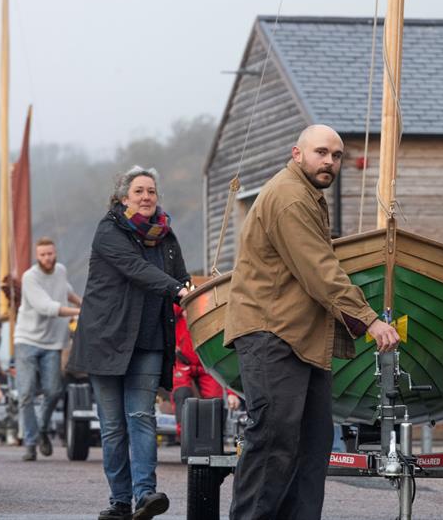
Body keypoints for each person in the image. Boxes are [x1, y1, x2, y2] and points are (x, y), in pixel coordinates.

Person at [225, 124, 400, 520]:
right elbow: (320, 271)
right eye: (321, 152)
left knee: (312, 447)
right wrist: (370, 320)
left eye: (337, 156)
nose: (330, 162)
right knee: (272, 443)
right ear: (296, 153)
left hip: (301, 340)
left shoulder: (307, 195)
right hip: (273, 334)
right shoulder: (289, 197)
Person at [68, 166, 190, 520]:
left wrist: (193, 292)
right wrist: (175, 288)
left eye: (151, 191)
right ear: (124, 199)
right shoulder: (109, 230)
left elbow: (180, 277)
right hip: (106, 339)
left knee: (141, 415)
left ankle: (145, 495)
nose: (146, 197)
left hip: (149, 339)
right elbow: (136, 269)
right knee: (112, 425)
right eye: (139, 191)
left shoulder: (166, 236)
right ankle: (119, 501)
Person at [14, 237, 81, 461]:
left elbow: (67, 293)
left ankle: (42, 428)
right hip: (27, 340)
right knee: (26, 392)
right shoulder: (30, 277)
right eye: (42, 254)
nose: (47, 258)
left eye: (50, 253)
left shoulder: (60, 271)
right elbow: (46, 307)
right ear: (37, 256)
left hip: (53, 342)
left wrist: (86, 304)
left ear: (55, 253)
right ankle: (30, 443)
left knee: (53, 390)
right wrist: (77, 313)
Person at [170, 304, 240, 437]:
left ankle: (212, 437)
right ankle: (185, 437)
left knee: (214, 401)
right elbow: (169, 306)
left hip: (207, 366)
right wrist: (183, 299)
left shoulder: (214, 323)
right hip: (183, 363)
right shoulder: (178, 316)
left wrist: (232, 393)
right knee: (181, 393)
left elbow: (225, 359)